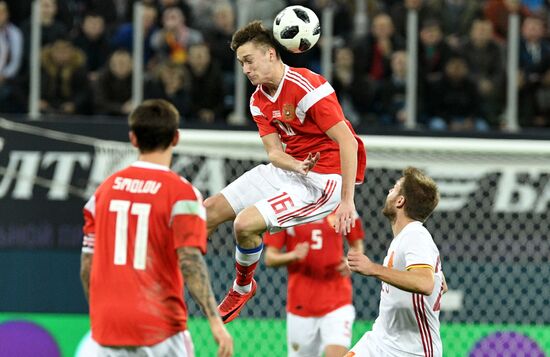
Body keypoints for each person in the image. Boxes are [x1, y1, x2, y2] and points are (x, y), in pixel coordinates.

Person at [203, 20, 367, 324]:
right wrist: (296, 165)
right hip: (292, 170)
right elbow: (275, 154)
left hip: (324, 181)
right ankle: (169, 282)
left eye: (249, 61)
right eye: (241, 64)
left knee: (245, 224)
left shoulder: (309, 87)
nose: (245, 70)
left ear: (270, 53)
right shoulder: (257, 100)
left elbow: (347, 141)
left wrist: (347, 201)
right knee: (207, 212)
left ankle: (242, 287)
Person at [79, 99, 233, 356]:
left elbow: (87, 264)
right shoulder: (182, 193)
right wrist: (215, 322)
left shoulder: (103, 191)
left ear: (133, 139)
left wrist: (101, 313)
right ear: (176, 138)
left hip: (106, 328)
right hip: (160, 328)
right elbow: (190, 260)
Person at [346, 167, 447, 357]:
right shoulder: (405, 238)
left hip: (409, 351)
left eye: (394, 188)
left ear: (400, 201)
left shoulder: (416, 235)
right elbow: (439, 282)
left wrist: (373, 268)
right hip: (381, 340)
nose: (388, 192)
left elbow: (425, 283)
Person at [263, 211, 365, 357]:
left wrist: (351, 262)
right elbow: (269, 257)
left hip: (337, 300)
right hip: (301, 303)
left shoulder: (342, 205)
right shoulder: (287, 210)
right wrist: (293, 255)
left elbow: (357, 244)